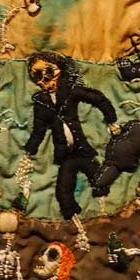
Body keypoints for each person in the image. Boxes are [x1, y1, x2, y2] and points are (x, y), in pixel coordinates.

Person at [18, 52, 118, 219]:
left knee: (99, 179)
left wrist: (111, 120)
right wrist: (29, 152)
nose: (44, 79)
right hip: (65, 154)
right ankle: (72, 217)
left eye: (49, 72)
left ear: (60, 70)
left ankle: (104, 210)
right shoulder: (41, 103)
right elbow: (38, 131)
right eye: (37, 75)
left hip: (82, 149)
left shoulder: (71, 91)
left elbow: (98, 99)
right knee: (63, 189)